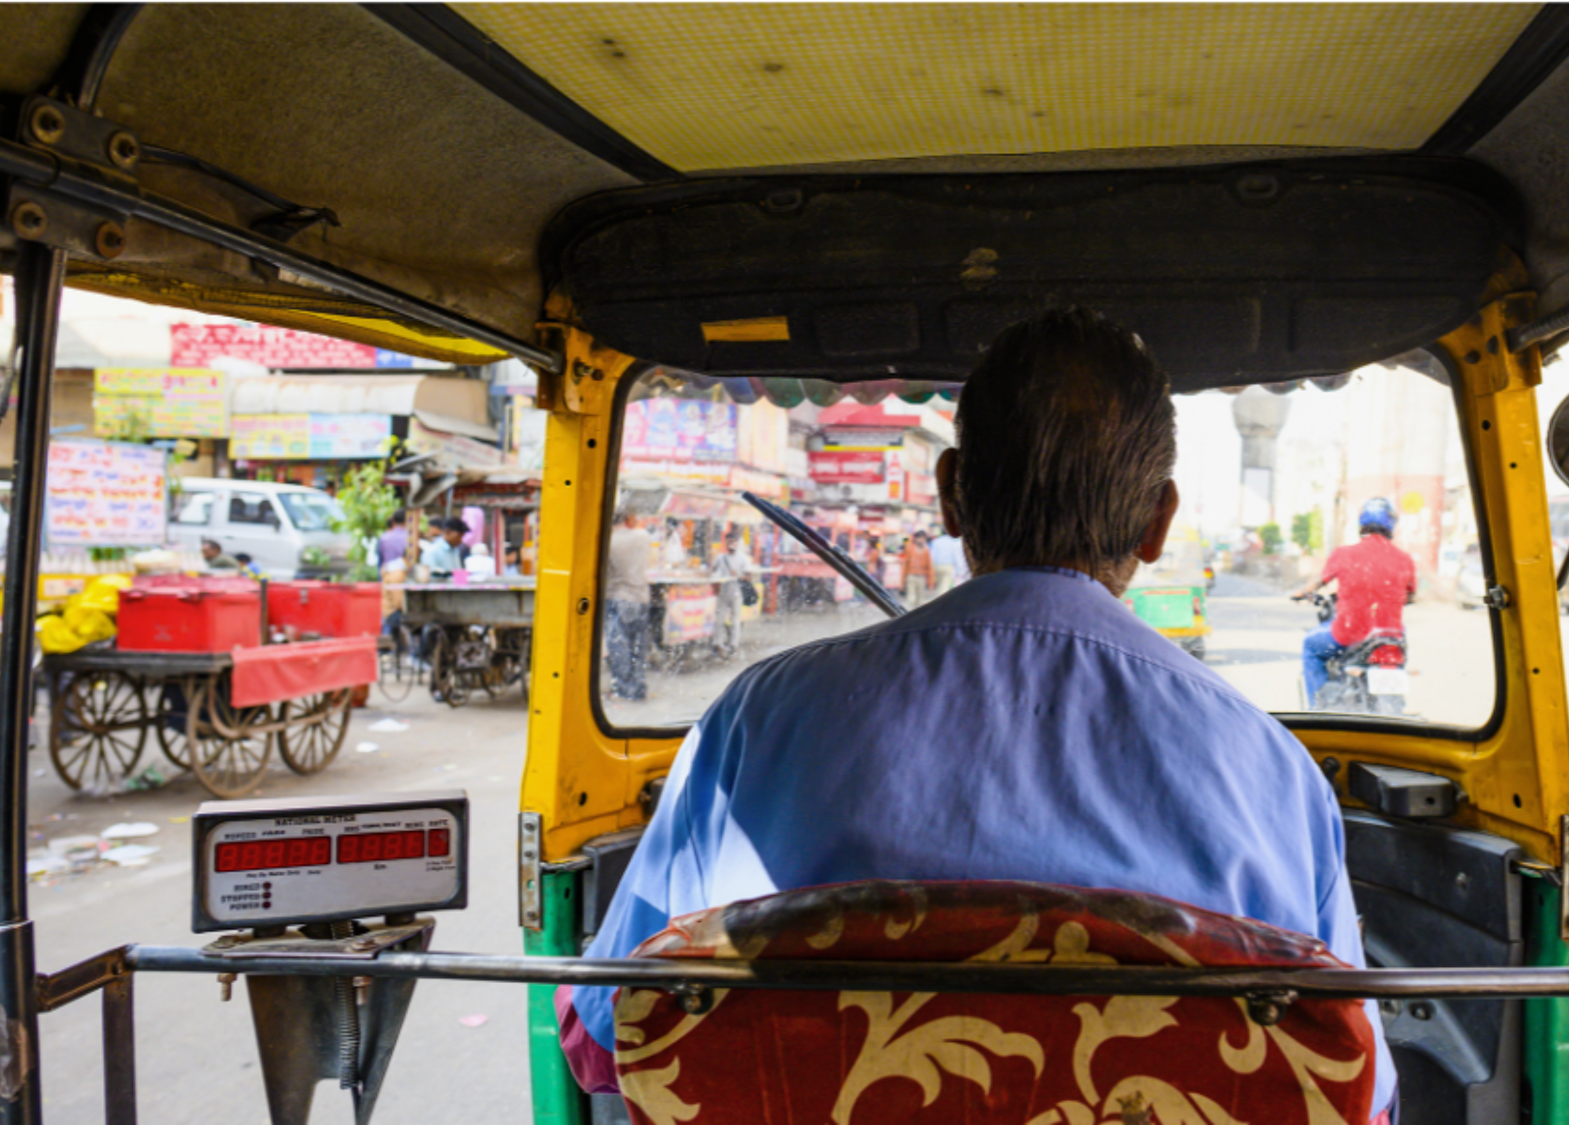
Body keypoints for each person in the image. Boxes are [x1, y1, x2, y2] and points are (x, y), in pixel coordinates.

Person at [558, 305, 1398, 1121]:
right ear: (1157, 521)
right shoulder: (1271, 770)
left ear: (950, 497)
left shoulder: (757, 719)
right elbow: (1350, 1086)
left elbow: (604, 1042)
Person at [1291, 498, 1417, 707]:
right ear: (1391, 524)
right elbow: (1411, 595)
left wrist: (1302, 593)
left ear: (1362, 523)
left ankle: (1317, 709)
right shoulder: (1404, 559)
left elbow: (1318, 582)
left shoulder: (1344, 554)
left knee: (1311, 645)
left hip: (1350, 634)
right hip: (1390, 637)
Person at [604, 505, 652, 701]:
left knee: (619, 646)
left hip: (618, 598)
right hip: (642, 598)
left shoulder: (609, 543)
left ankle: (624, 688)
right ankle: (639, 686)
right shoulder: (643, 537)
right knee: (639, 646)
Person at [709, 529, 752, 658]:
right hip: (723, 589)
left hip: (736, 589)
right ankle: (717, 644)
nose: (731, 544)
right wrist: (715, 584)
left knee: (735, 619)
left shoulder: (743, 558)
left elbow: (748, 576)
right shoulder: (720, 558)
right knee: (719, 619)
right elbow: (712, 571)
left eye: (733, 542)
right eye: (728, 542)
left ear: (737, 543)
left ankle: (734, 644)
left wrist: (738, 576)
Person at [901, 529, 935, 608]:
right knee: (911, 599)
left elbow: (930, 567)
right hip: (911, 576)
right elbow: (905, 565)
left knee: (920, 601)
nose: (921, 540)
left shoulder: (926, 551)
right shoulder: (909, 549)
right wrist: (902, 582)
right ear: (915, 539)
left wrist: (931, 584)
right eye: (919, 538)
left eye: (923, 538)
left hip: (921, 577)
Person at [929, 524, 965, 592]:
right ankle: (942, 600)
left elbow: (932, 555)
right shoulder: (952, 542)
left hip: (937, 565)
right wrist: (958, 568)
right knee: (944, 585)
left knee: (939, 584)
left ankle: (939, 597)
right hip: (948, 566)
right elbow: (955, 556)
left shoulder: (936, 541)